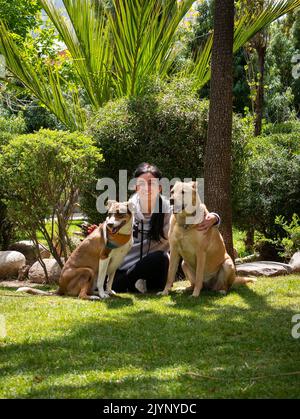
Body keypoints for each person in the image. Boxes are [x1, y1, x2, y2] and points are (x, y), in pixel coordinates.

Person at [111, 162, 221, 294]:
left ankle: (136, 285)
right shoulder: (127, 209)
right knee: (116, 282)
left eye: (151, 183)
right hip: (126, 266)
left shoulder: (171, 209)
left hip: (154, 267)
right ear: (135, 187)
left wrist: (215, 218)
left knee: (161, 258)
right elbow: (110, 225)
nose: (147, 188)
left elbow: (197, 210)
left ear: (160, 188)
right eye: (141, 184)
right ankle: (130, 283)